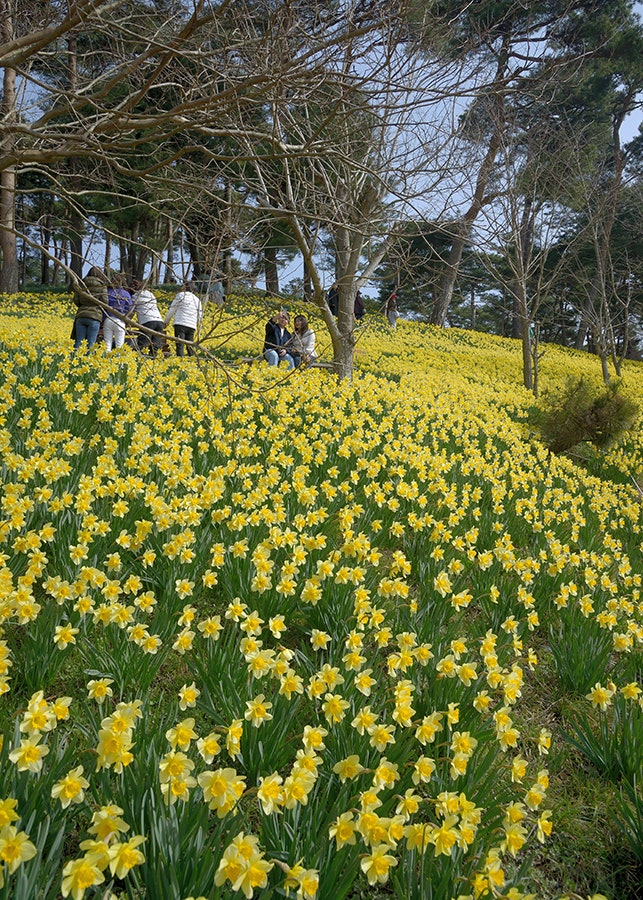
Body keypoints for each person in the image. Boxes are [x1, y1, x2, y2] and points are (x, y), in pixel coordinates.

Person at [164, 281, 203, 356]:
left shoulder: (181, 296)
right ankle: (193, 360)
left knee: (180, 345)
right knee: (190, 345)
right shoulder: (197, 300)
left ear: (184, 287)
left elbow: (172, 309)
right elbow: (200, 316)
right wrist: (198, 327)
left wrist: (166, 321)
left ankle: (180, 360)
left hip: (180, 323)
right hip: (191, 325)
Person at [73, 266, 107, 351]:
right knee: (91, 344)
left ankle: (75, 360)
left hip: (81, 315)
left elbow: (76, 300)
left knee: (78, 342)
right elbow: (105, 302)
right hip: (94, 316)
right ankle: (88, 362)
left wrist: (82, 306)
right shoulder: (102, 285)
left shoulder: (81, 284)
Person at [132, 279, 165, 356]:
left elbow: (132, 310)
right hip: (159, 321)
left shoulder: (136, 297)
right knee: (156, 343)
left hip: (147, 321)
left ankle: (141, 359)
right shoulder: (151, 295)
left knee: (143, 342)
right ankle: (155, 360)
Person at [103, 274, 133, 351]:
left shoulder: (107, 292)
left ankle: (106, 361)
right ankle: (120, 362)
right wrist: (127, 319)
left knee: (107, 345)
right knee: (119, 346)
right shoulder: (125, 294)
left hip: (108, 319)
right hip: (120, 321)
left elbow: (103, 306)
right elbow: (130, 308)